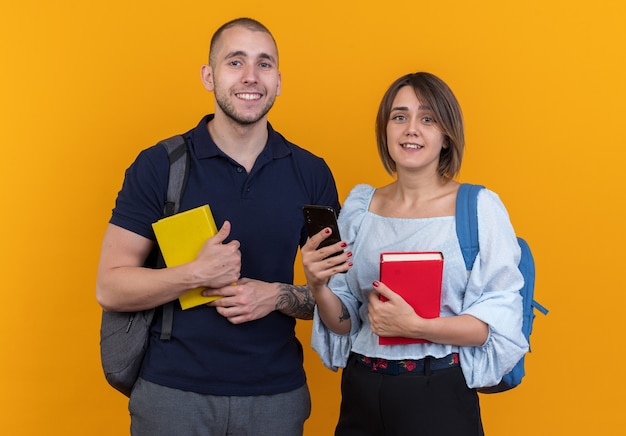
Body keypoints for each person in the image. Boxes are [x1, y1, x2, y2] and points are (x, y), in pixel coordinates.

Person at [96, 17, 340, 435]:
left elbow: (340, 302)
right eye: (235, 62)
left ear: (279, 81)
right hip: (171, 396)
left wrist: (277, 295)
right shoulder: (159, 166)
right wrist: (194, 274)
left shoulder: (311, 173)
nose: (250, 76)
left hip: (276, 399)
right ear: (209, 76)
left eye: (264, 64)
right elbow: (110, 287)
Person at [301, 72, 529, 435]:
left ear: (446, 135)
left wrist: (418, 327)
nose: (411, 129)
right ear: (385, 130)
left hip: (438, 392)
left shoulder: (478, 208)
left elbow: (498, 322)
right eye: (399, 116)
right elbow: (345, 324)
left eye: (427, 118)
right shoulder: (361, 207)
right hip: (362, 388)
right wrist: (318, 287)